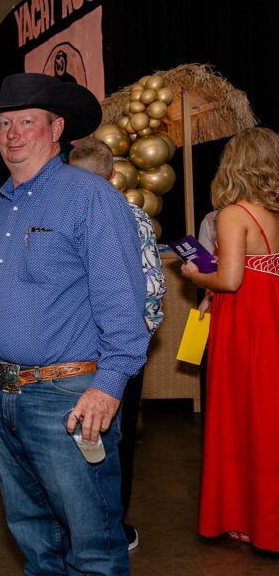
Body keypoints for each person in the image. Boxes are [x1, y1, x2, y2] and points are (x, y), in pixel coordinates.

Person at [0, 73, 148, 576]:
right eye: (5, 123)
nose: (13, 133)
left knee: (92, 552)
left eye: (26, 121)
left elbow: (122, 306)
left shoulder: (88, 198)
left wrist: (109, 386)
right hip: (2, 397)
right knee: (37, 547)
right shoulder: (4, 201)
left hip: (67, 401)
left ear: (57, 128)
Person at [179, 126, 279, 551]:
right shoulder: (273, 213)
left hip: (245, 326)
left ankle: (246, 519)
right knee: (266, 418)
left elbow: (230, 280)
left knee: (240, 418)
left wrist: (194, 273)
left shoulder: (233, 214)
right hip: (269, 320)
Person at [69, 138, 166, 552]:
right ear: (113, 176)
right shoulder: (136, 217)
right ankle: (113, 528)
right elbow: (153, 293)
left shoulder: (65, 215)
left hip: (73, 353)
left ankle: (78, 530)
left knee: (76, 442)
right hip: (120, 351)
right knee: (114, 441)